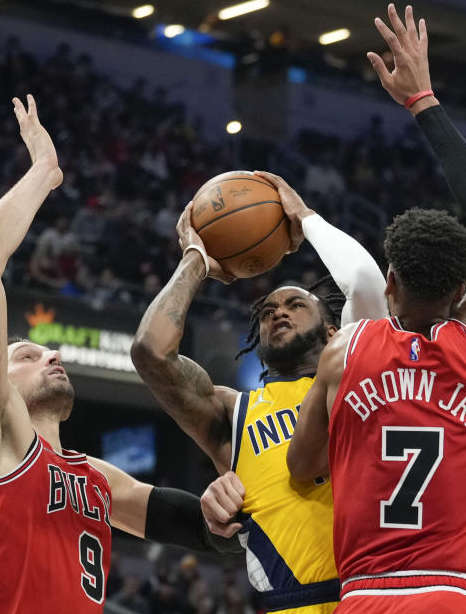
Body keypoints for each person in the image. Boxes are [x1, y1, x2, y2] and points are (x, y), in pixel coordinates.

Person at [0, 95, 240, 614]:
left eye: (46, 350)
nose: (51, 355)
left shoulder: (95, 478)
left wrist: (224, 513)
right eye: (27, 355)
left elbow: (193, 526)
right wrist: (44, 171)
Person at [287, 5, 466, 614]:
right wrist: (423, 100)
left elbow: (302, 465)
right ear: (463, 287)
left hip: (368, 597)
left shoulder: (345, 351)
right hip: (457, 596)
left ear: (390, 282)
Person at [132, 173, 388, 613]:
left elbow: (366, 285)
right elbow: (151, 353)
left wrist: (305, 220)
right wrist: (196, 259)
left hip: (374, 597)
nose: (278, 314)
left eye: (295, 305)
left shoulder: (360, 377)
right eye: (267, 312)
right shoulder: (234, 412)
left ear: (333, 332)